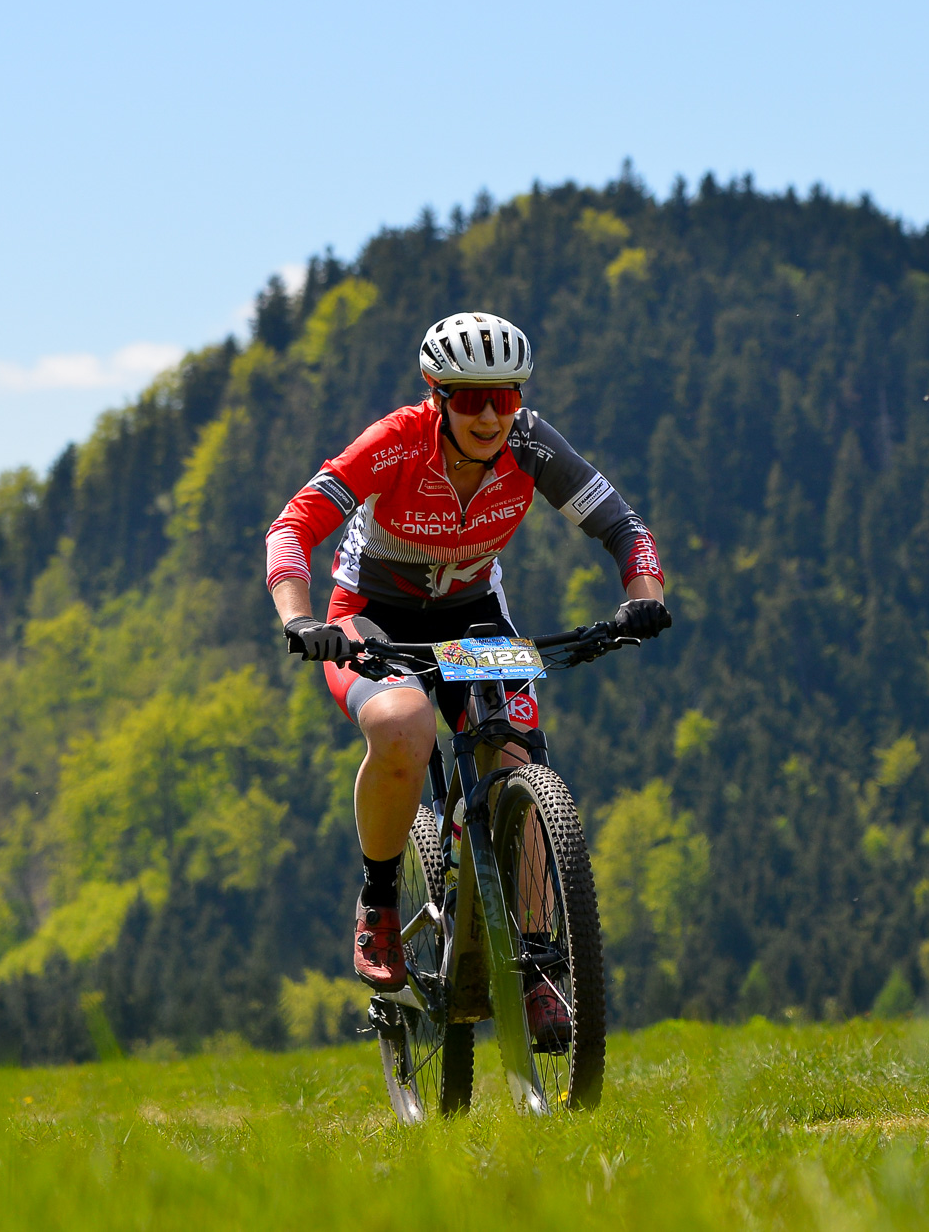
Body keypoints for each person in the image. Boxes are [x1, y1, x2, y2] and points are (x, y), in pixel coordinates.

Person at [265, 311, 670, 999]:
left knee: (516, 755)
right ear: (438, 396)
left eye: (505, 397)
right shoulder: (395, 443)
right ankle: (379, 901)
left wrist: (644, 597)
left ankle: (539, 964)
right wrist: (300, 619)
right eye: (473, 398)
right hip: (371, 614)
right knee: (404, 726)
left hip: (472, 616)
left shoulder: (531, 444)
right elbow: (293, 526)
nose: (490, 416)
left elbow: (624, 526)